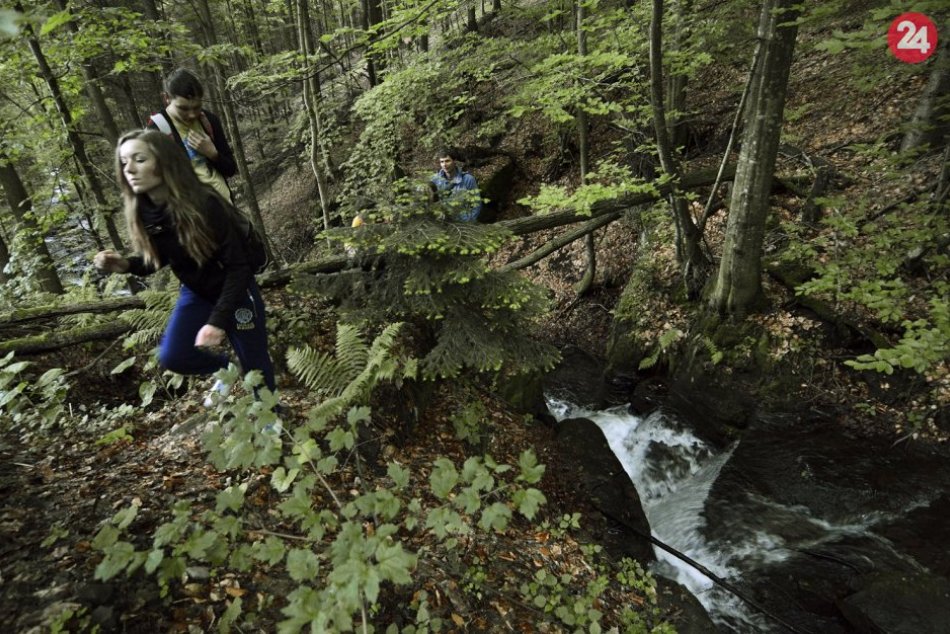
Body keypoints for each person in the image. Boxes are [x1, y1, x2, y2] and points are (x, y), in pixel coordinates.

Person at [93, 129, 276, 402]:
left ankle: (271, 423)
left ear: (164, 162)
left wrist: (218, 321)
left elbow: (239, 267)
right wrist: (124, 265)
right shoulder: (144, 209)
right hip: (196, 290)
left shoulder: (205, 202)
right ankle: (226, 370)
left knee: (255, 363)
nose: (129, 168)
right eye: (123, 162)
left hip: (236, 290)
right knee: (174, 355)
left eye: (139, 159)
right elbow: (161, 258)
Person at [146, 68, 236, 203]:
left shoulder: (209, 120)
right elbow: (154, 186)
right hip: (193, 217)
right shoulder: (156, 131)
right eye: (183, 108)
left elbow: (230, 169)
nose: (192, 114)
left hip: (226, 205)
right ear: (166, 98)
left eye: (197, 107)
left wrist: (213, 154)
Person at [430, 148, 482, 222]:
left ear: (454, 161)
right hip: (442, 223)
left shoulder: (468, 179)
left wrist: (469, 221)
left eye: (447, 161)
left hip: (463, 222)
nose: (444, 165)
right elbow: (430, 203)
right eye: (442, 162)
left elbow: (477, 204)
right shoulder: (434, 180)